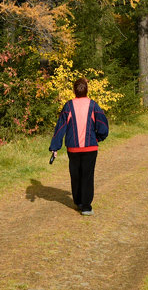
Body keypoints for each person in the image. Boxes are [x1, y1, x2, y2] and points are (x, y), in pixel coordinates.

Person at [49, 77, 109, 215]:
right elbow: (103, 126)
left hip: (73, 148)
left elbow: (60, 128)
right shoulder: (94, 105)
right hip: (90, 148)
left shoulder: (68, 106)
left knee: (75, 175)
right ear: (87, 89)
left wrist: (55, 147)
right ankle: (86, 206)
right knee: (87, 175)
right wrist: (98, 138)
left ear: (74, 91)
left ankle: (79, 202)